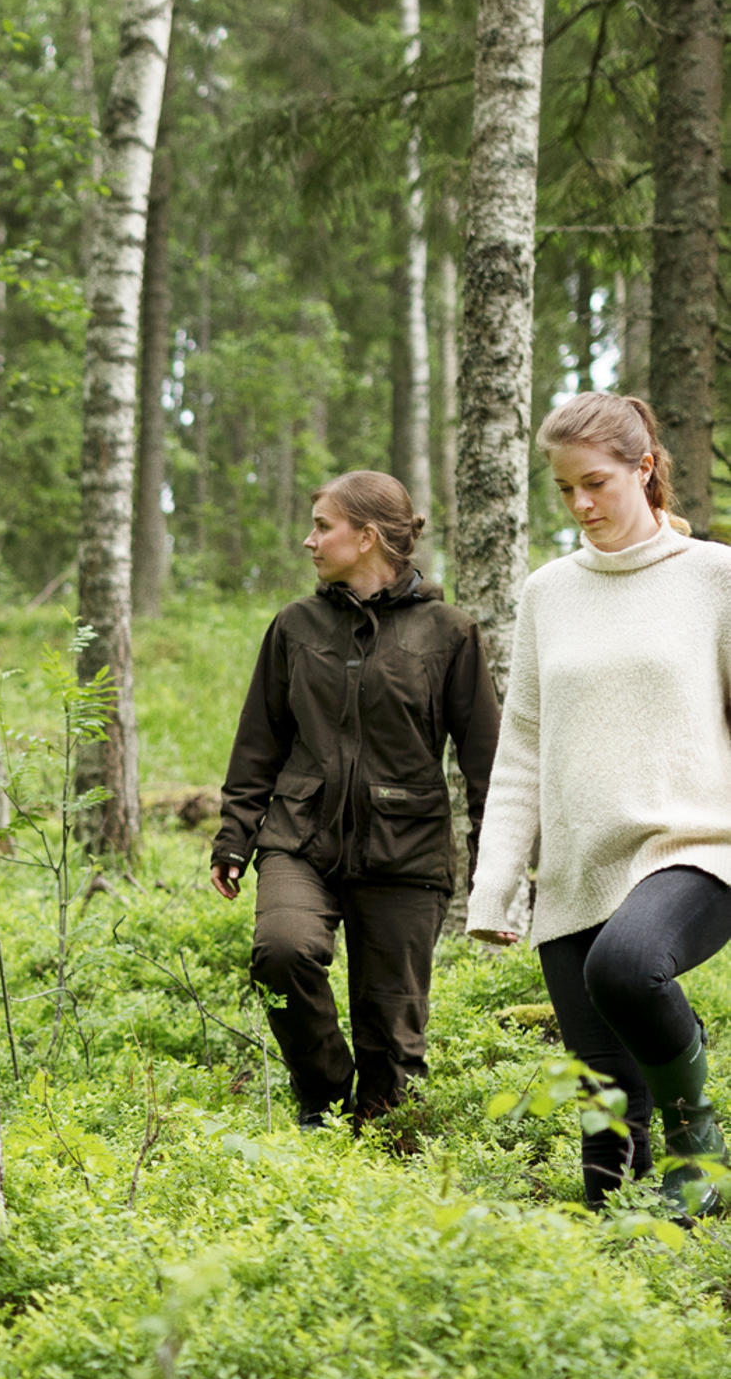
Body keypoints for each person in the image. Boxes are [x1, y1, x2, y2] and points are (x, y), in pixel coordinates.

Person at [469, 393, 731, 1215]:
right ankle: (625, 1247)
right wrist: (495, 885)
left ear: (643, 469)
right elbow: (522, 747)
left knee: (628, 966)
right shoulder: (549, 592)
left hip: (695, 846)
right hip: (579, 868)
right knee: (604, 1131)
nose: (581, 506)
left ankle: (701, 1148)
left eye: (597, 484)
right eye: (564, 490)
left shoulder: (715, 578)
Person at [210, 472, 501, 1127]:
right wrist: (236, 834)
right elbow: (260, 740)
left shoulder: (449, 633)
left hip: (406, 850)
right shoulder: (295, 625)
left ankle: (380, 1137)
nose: (308, 540)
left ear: (367, 537)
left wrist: (495, 864)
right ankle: (324, 1099)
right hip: (300, 837)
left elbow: (485, 761)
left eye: (323, 526)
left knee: (392, 1045)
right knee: (281, 951)